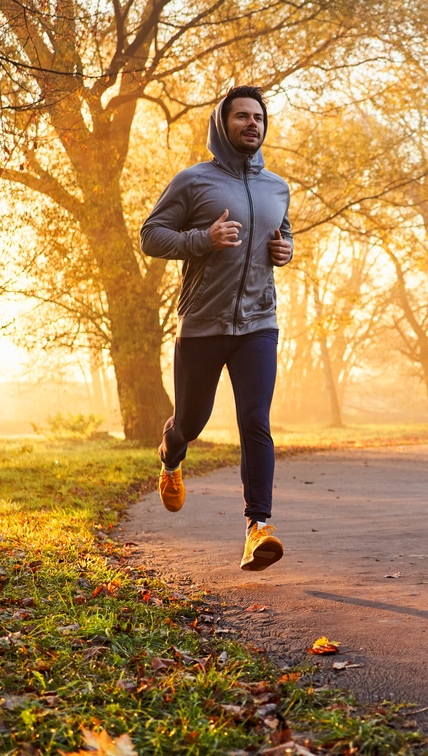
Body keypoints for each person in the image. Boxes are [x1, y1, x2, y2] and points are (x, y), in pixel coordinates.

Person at [139, 85, 292, 572]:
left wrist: (286, 250)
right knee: (192, 420)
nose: (252, 124)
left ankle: (257, 528)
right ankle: (171, 454)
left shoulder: (277, 187)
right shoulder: (193, 181)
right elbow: (151, 236)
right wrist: (202, 239)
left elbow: (282, 233)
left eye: (258, 118)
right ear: (222, 124)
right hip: (203, 323)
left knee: (255, 421)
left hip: (258, 324)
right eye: (242, 116)